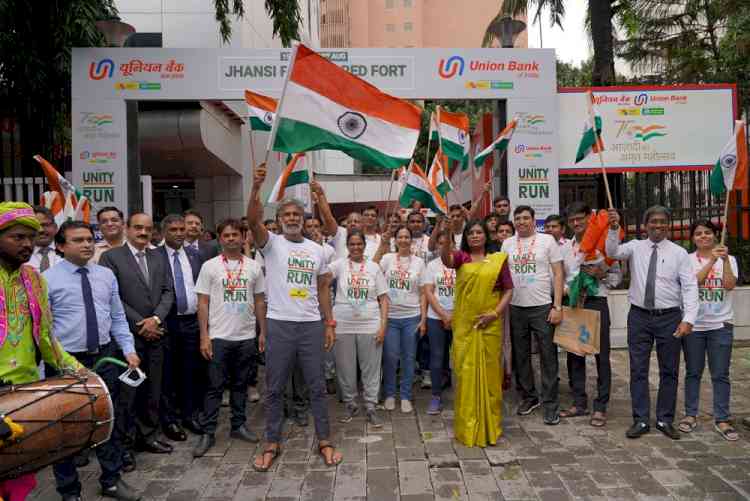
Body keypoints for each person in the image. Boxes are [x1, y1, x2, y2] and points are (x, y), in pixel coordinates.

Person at [247, 163, 342, 471]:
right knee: (274, 387)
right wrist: (255, 188)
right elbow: (251, 220)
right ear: (278, 220)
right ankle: (272, 442)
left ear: (303, 220)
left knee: (316, 387)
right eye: (286, 215)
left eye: (296, 215)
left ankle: (325, 441)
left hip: (311, 326)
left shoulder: (317, 250)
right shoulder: (271, 244)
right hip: (279, 324)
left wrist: (328, 322)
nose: (291, 219)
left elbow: (324, 288)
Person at [45, 221, 141, 501]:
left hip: (104, 357)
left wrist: (128, 348)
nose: (87, 244)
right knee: (66, 428)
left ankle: (111, 479)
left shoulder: (106, 275)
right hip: (64, 362)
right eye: (78, 240)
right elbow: (45, 330)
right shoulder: (47, 280)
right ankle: (69, 491)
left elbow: (117, 317)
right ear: (61, 246)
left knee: (106, 420)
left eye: (89, 239)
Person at [0, 202, 82, 501]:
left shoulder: (34, 279)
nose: (26, 244)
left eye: (30, 238)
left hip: (24, 392)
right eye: (17, 237)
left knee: (19, 481)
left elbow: (47, 337)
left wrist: (78, 371)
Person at [606, 205, 699, 440]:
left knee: (669, 370)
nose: (657, 225)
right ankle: (640, 419)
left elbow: (689, 287)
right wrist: (614, 228)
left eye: (662, 222)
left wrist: (688, 319)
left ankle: (665, 419)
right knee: (638, 369)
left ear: (668, 225)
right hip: (639, 317)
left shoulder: (679, 253)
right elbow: (613, 251)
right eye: (653, 221)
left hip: (670, 318)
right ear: (646, 225)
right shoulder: (635, 247)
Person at [99, 213, 175, 463]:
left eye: (148, 228)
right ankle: (125, 445)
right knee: (127, 395)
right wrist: (141, 323)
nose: (143, 232)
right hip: (128, 339)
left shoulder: (158, 256)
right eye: (138, 228)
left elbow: (168, 292)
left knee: (153, 390)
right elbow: (113, 297)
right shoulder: (111, 257)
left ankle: (149, 435)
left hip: (157, 335)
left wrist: (155, 319)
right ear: (128, 229)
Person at [192, 218, 266, 457]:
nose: (232, 238)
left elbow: (259, 300)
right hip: (219, 337)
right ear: (220, 238)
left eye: (236, 234)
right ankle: (208, 432)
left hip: (245, 336)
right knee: (214, 387)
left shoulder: (253, 266)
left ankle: (238, 425)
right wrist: (204, 336)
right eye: (227, 235)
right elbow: (202, 302)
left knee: (240, 385)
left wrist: (262, 332)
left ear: (244, 237)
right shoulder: (210, 266)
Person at [439, 220, 513, 447]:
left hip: (490, 325)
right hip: (465, 327)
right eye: (470, 233)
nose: (475, 236)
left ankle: (491, 427)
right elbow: (446, 259)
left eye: (479, 232)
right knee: (465, 375)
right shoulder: (462, 257)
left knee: (491, 377)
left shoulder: (497, 259)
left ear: (486, 235)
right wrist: (448, 232)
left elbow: (508, 290)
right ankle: (468, 428)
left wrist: (494, 314)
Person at [501, 205, 564, 425]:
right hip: (516, 306)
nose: (521, 222)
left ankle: (550, 404)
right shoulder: (507, 244)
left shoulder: (548, 241)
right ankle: (529, 396)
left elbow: (558, 273)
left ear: (533, 220)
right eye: (517, 218)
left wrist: (557, 306)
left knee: (548, 356)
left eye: (526, 218)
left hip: (542, 306)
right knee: (521, 356)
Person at [559, 203, 620, 427]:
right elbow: (562, 278)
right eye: (572, 220)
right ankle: (578, 402)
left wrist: (600, 273)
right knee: (574, 354)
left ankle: (601, 406)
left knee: (601, 355)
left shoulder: (604, 245)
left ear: (589, 218)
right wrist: (567, 292)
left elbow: (616, 278)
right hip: (574, 304)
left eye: (580, 219)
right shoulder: (565, 248)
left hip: (597, 302)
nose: (576, 223)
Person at [678, 220, 738, 441]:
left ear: (715, 235)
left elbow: (730, 285)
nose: (703, 237)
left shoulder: (729, 259)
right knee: (693, 372)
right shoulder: (687, 260)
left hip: (720, 325)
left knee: (720, 374)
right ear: (693, 238)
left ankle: (722, 418)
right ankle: (690, 414)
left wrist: (724, 262)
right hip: (694, 325)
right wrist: (712, 260)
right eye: (699, 234)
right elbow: (693, 284)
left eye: (707, 233)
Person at [329, 230, 388, 426]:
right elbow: (320, 279)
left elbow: (384, 299)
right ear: (347, 246)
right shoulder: (338, 265)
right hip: (343, 325)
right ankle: (350, 404)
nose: (356, 247)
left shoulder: (373, 267)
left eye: (359, 244)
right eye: (352, 244)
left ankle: (371, 406)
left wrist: (383, 327)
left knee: (371, 368)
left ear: (364, 245)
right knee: (345, 368)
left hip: (370, 323)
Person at [156, 214, 206, 438]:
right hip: (167, 322)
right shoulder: (154, 256)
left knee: (190, 371)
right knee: (167, 374)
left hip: (192, 321)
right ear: (164, 232)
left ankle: (190, 415)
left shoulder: (196, 255)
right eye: (173, 230)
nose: (178, 233)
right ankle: (169, 420)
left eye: (181, 229)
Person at [373, 226, 426, 414]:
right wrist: (382, 244)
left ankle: (405, 395)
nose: (403, 240)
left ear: (411, 240)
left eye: (407, 237)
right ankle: (389, 394)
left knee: (409, 358)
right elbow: (371, 268)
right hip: (390, 318)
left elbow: (423, 293)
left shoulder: (419, 262)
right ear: (396, 240)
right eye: (400, 237)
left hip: (412, 317)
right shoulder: (387, 259)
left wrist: (424, 319)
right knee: (390, 357)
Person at [422, 231, 457, 414]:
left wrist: (455, 315)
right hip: (436, 317)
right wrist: (444, 315)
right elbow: (428, 292)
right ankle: (436, 396)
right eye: (440, 243)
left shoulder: (462, 262)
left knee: (460, 358)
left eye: (447, 243)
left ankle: (463, 393)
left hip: (460, 317)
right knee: (436, 357)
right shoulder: (432, 265)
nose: (444, 246)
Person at [27, 205, 61, 272]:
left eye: (45, 225)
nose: (41, 230)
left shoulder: (70, 251)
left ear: (55, 227)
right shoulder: (19, 255)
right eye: (35, 226)